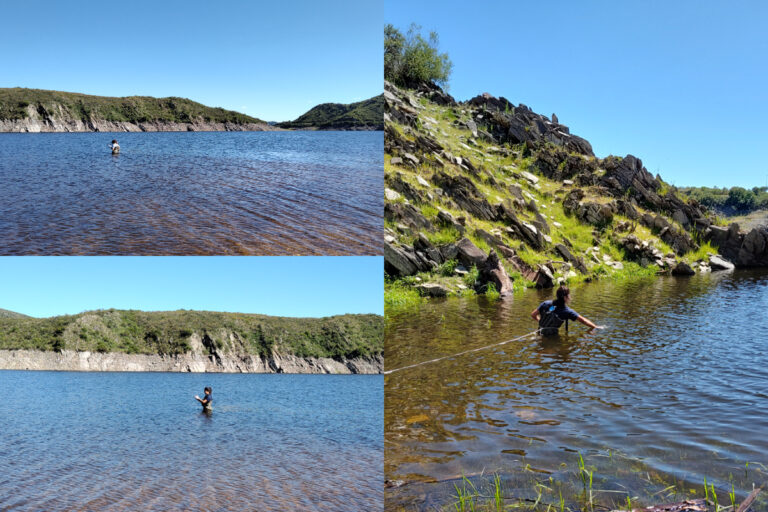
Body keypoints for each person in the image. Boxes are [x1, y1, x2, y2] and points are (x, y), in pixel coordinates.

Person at [531, 285, 603, 335]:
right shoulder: (567, 311)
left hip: (540, 332)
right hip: (552, 336)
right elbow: (583, 320)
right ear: (565, 297)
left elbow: (533, 315)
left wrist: (540, 321)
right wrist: (595, 327)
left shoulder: (545, 303)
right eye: (569, 295)